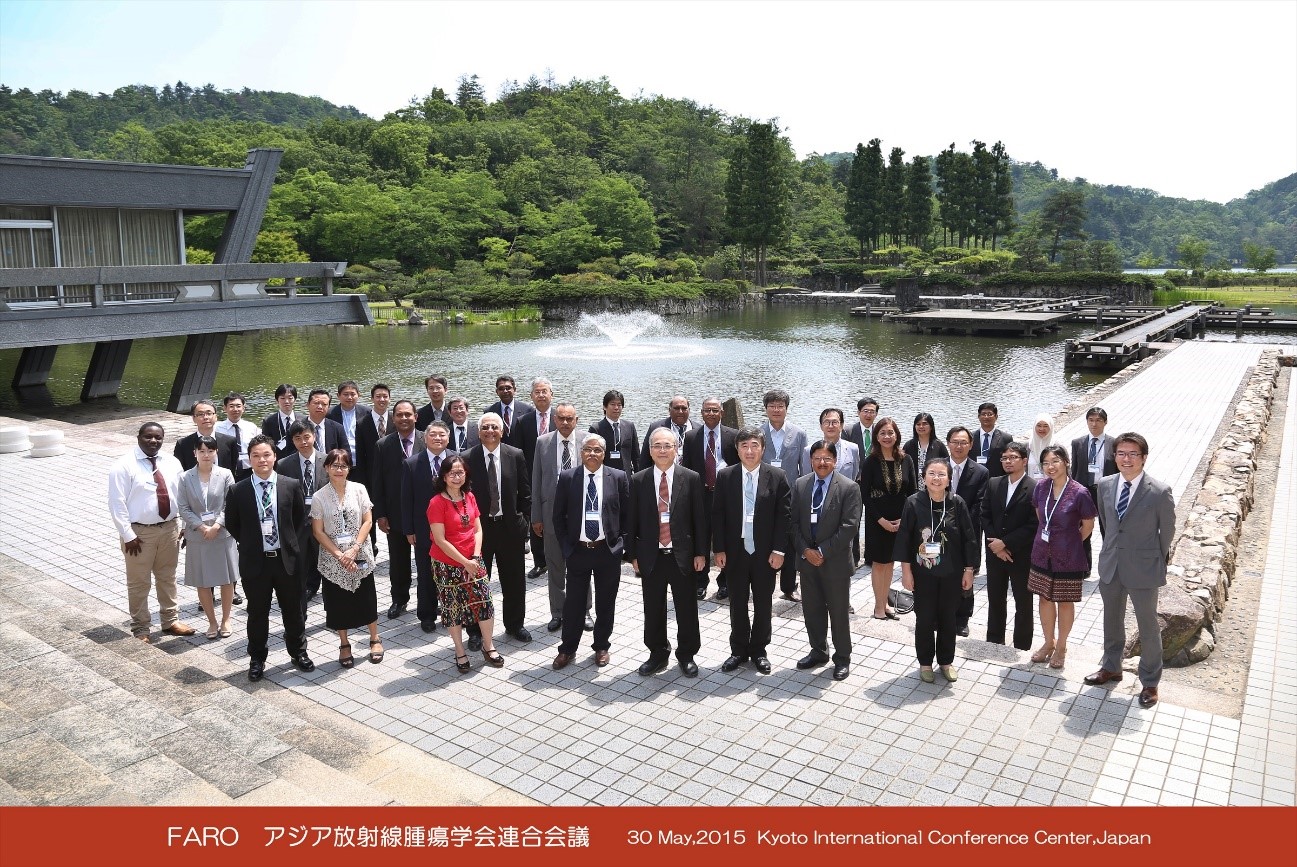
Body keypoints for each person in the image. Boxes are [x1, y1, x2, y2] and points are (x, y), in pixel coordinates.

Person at [1085, 433, 1176, 708]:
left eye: (1133, 454)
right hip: (1111, 565)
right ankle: (1111, 667)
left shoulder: (1159, 491)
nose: (1126, 458)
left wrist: (1155, 560)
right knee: (1111, 621)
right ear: (1114, 457)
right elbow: (1107, 523)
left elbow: (1167, 533)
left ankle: (1150, 682)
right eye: (1121, 453)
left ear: (1144, 457)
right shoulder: (1104, 485)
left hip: (1144, 567)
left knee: (1148, 626)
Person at [225, 435, 314, 681]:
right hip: (256, 562)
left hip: (286, 561)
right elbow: (233, 524)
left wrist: (290, 546)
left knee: (293, 610)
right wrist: (253, 543)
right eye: (256, 455)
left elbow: (299, 520)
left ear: (275, 456)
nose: (262, 460)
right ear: (249, 459)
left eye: (267, 455)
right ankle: (256, 658)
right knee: (257, 613)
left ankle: (298, 652)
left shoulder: (290, 484)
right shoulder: (238, 489)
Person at [712, 426, 791, 675]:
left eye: (754, 446)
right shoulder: (725, 476)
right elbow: (718, 515)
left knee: (763, 602)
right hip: (735, 551)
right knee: (737, 602)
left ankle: (759, 650)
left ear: (762, 448)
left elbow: (784, 517)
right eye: (744, 446)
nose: (749, 451)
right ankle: (738, 650)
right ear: (737, 449)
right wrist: (719, 549)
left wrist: (779, 550)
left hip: (765, 552)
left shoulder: (777, 476)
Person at [629, 427, 707, 678]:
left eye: (668, 446)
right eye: (657, 446)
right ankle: (657, 653)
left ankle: (687, 654)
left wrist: (701, 553)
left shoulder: (691, 478)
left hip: (681, 554)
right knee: (653, 608)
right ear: (650, 451)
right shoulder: (638, 480)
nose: (663, 451)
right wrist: (633, 556)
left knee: (686, 608)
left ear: (676, 450)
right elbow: (631, 522)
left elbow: (700, 519)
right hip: (651, 555)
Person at [107, 422, 195, 642]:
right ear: (138, 437)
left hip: (169, 529)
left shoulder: (172, 462)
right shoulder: (123, 466)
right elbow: (116, 504)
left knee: (168, 577)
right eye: (148, 437)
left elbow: (182, 496)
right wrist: (128, 535)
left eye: (158, 437)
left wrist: (185, 525)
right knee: (139, 582)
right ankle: (141, 628)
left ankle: (170, 620)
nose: (153, 441)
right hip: (139, 534)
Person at [551, 433, 631, 671]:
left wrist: (621, 545)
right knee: (573, 603)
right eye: (588, 449)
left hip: (607, 550)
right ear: (581, 452)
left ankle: (601, 646)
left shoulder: (617, 477)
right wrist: (567, 545)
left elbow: (627, 515)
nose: (592, 454)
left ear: (604, 454)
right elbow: (558, 516)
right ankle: (567, 649)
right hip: (578, 551)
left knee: (606, 602)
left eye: (597, 450)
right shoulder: (568, 478)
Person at [896, 457, 979, 684]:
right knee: (924, 619)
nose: (936, 478)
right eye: (931, 473)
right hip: (923, 573)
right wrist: (906, 572)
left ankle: (946, 662)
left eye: (941, 474)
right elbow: (904, 538)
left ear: (949, 478)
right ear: (924, 477)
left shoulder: (957, 503)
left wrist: (969, 570)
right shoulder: (913, 503)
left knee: (948, 619)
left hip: (952, 573)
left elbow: (969, 539)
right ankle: (925, 663)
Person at [791, 440, 862, 681]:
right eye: (818, 458)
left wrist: (821, 551)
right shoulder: (801, 484)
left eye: (827, 458)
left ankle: (842, 657)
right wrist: (805, 550)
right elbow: (792, 523)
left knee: (838, 612)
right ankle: (818, 651)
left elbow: (849, 527)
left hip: (835, 562)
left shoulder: (849, 487)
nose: (822, 463)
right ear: (811, 460)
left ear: (835, 461)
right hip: (807, 561)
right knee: (812, 610)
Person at [426, 455, 502, 674]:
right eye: (452, 473)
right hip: (448, 564)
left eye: (460, 472)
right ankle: (460, 651)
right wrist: (464, 562)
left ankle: (489, 646)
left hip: (474, 560)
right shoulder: (436, 503)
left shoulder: (469, 496)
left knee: (484, 602)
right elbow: (440, 539)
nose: (456, 477)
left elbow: (478, 529)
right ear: (443, 476)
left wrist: (475, 558)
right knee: (453, 608)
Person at [464, 412, 532, 642]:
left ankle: (514, 625)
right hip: (479, 531)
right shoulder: (466, 458)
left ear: (502, 432)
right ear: (479, 432)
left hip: (510, 528)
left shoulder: (515, 455)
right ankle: (475, 630)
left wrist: (524, 522)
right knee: (477, 582)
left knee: (514, 581)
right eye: (485, 427)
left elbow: (525, 492)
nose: (490, 431)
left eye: (495, 427)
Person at [1028, 445, 1097, 671]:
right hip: (1042, 553)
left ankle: (1062, 646)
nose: (1051, 467)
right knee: (1044, 599)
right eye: (1046, 463)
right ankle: (1049, 642)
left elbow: (1087, 525)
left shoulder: (1079, 492)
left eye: (1055, 461)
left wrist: (1070, 541)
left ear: (1066, 462)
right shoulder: (1040, 487)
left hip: (1068, 556)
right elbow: (1041, 517)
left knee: (1064, 601)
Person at [310, 448, 381, 667]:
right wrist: (340, 555)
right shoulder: (319, 497)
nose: (339, 470)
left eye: (343, 465)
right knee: (338, 603)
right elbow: (318, 532)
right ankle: (344, 643)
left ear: (349, 468)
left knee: (367, 598)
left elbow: (368, 521)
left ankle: (375, 638)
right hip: (334, 558)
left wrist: (354, 549)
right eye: (334, 466)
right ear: (326, 468)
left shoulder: (359, 489)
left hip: (359, 553)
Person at [530, 402, 592, 633]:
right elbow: (537, 480)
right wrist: (536, 516)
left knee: (582, 565)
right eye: (561, 418)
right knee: (555, 565)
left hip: (581, 515)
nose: (565, 423)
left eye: (570, 419)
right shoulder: (542, 442)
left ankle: (585, 611)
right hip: (551, 515)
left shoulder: (588, 441)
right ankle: (557, 612)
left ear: (576, 419)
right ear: (554, 420)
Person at [177, 435, 239, 639]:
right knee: (202, 581)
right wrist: (201, 526)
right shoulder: (186, 477)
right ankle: (212, 622)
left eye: (210, 451)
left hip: (222, 534)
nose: (206, 455)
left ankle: (226, 620)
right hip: (198, 535)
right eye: (201, 451)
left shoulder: (226, 474)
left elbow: (230, 503)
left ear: (216, 453)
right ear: (195, 453)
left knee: (226, 579)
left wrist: (218, 525)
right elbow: (183, 507)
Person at [980, 443, 1039, 650]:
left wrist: (1006, 543)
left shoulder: (1035, 488)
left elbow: (1034, 523)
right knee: (995, 599)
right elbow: (984, 514)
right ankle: (994, 641)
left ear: (1024, 461)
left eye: (1013, 457)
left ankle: (1022, 645)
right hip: (994, 552)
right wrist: (996, 544)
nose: (1008, 461)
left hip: (1021, 554)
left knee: (1023, 602)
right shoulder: (994, 483)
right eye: (1004, 458)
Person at [369, 400, 424, 620]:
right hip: (395, 513)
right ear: (393, 418)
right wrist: (380, 514)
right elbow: (377, 482)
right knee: (398, 561)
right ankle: (399, 599)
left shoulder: (426, 440)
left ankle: (429, 600)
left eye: (407, 415)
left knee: (425, 561)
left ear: (415, 417)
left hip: (422, 514)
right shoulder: (383, 445)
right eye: (399, 415)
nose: (403, 418)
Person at [861, 417, 916, 620]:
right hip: (878, 521)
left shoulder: (906, 459)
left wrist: (904, 519)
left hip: (901, 520)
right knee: (879, 563)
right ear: (876, 436)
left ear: (897, 435)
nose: (887, 437)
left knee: (891, 562)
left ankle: (886, 603)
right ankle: (878, 606)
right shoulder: (871, 462)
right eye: (882, 433)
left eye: (890, 433)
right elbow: (864, 495)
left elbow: (913, 492)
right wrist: (881, 520)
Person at [682, 397, 736, 599]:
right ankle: (700, 582)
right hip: (700, 494)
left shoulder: (733, 436)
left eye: (715, 410)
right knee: (700, 539)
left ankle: (725, 583)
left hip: (725, 495)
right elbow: (686, 468)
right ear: (701, 412)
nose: (711, 414)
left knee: (726, 538)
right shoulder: (691, 437)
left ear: (721, 412)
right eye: (707, 410)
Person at [402, 421, 452, 635]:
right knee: (425, 572)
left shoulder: (456, 460)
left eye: (442, 434)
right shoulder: (412, 463)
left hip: (452, 528)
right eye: (433, 434)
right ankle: (427, 614)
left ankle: (451, 611)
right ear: (425, 437)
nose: (438, 438)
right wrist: (409, 529)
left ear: (448, 438)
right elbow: (406, 499)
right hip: (424, 529)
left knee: (451, 572)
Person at [276, 420, 328, 618]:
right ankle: (299, 616)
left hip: (323, 524)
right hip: (297, 525)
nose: (303, 442)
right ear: (293, 441)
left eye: (306, 437)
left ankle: (332, 613)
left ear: (314, 436)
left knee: (328, 568)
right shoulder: (283, 464)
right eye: (298, 438)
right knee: (299, 573)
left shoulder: (327, 460)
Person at [760, 389, 807, 601]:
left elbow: (804, 467)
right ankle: (762, 584)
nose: (776, 410)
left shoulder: (798, 433)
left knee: (789, 540)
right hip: (764, 493)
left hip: (790, 493)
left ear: (787, 408)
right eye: (772, 406)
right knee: (763, 537)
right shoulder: (757, 433)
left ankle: (789, 587)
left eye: (780, 406)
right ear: (766, 408)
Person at [947, 425, 988, 637]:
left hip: (968, 531)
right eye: (955, 442)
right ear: (948, 444)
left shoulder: (981, 472)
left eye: (964, 442)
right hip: (939, 531)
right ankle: (943, 614)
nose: (959, 446)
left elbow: (979, 505)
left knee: (966, 574)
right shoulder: (937, 467)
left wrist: (959, 524)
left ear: (971, 445)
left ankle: (962, 618)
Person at [515, 377, 557, 580]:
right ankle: (540, 562)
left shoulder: (562, 417)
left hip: (559, 476)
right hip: (533, 478)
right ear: (531, 396)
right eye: (537, 392)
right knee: (536, 518)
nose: (541, 395)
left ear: (552, 394)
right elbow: (519, 453)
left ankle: (561, 559)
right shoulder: (524, 421)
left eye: (544, 391)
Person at [1070, 406, 1117, 568]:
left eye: (1098, 420)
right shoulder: (1078, 443)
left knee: (1108, 530)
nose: (1094, 424)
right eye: (1091, 420)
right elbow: (1074, 470)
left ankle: (1109, 566)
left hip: (1106, 492)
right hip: (1084, 492)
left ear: (1105, 422)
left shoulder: (1114, 443)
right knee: (1083, 530)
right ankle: (1084, 567)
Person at [173, 400, 238, 473]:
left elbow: (233, 468)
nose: (205, 417)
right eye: (200, 414)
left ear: (215, 417)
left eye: (209, 413)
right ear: (194, 418)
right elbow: (179, 471)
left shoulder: (229, 441)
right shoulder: (183, 444)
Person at [802, 408, 861, 483]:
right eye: (827, 422)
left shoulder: (853, 449)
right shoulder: (809, 450)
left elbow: (854, 475)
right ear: (821, 426)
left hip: (844, 493)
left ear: (842, 425)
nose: (830, 426)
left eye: (834, 422)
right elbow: (807, 478)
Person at [639, 395, 698, 467]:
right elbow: (645, 458)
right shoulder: (655, 428)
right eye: (676, 408)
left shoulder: (698, 429)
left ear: (689, 410)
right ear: (669, 410)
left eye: (684, 408)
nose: (680, 411)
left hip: (690, 476)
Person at [589, 389, 639, 475]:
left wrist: (638, 477)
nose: (616, 408)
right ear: (605, 407)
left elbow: (636, 456)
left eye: (619, 405)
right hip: (606, 476)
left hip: (627, 476)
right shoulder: (596, 428)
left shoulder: (629, 426)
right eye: (613, 404)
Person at [216, 392, 257, 480]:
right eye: (231, 406)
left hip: (248, 470)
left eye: (238, 406)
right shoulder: (217, 428)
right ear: (225, 408)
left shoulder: (251, 427)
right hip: (224, 470)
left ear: (243, 408)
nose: (235, 409)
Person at [326, 380, 367, 468]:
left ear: (358, 395)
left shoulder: (367, 412)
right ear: (338, 396)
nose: (349, 397)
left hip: (362, 460)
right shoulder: (329, 414)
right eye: (345, 394)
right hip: (339, 461)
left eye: (352, 394)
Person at [486, 374, 533, 441]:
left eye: (508, 388)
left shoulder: (527, 410)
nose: (505, 391)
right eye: (501, 388)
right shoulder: (489, 411)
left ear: (514, 389)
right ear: (497, 392)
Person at [902, 412, 949, 477]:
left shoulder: (939, 446)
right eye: (918, 424)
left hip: (934, 484)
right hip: (912, 485)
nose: (921, 426)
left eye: (925, 424)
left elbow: (947, 467)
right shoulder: (909, 445)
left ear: (931, 426)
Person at [974, 402, 1013, 478]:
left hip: (997, 478)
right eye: (983, 414)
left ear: (996, 417)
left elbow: (1010, 460)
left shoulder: (1006, 438)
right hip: (975, 478)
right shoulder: (970, 437)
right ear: (978, 417)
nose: (986, 417)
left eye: (989, 414)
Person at [261, 383, 301, 458]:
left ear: (295, 400)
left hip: (299, 459)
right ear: (277, 400)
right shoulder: (269, 421)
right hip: (278, 460)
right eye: (282, 398)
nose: (286, 401)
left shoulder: (303, 419)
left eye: (290, 398)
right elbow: (266, 445)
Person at [305, 388, 348, 454]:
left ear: (328, 407)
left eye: (324, 404)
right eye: (316, 403)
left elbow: (346, 454)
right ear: (307, 405)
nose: (320, 407)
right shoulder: (297, 427)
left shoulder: (338, 428)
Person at [1026, 413, 1058, 480]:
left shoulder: (1057, 447)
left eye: (1046, 426)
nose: (1042, 429)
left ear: (1051, 427)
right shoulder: (1028, 446)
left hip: (1051, 487)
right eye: (1039, 425)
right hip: (1031, 487)